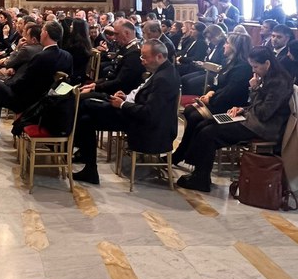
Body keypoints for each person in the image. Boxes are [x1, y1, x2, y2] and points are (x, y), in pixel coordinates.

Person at [177, 47, 293, 192]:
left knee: (209, 133)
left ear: (267, 63)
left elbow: (264, 113)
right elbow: (257, 105)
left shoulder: (279, 82)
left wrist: (254, 89)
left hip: (264, 127)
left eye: (256, 66)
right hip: (252, 119)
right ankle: (198, 172)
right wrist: (242, 109)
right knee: (203, 124)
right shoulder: (268, 76)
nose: (253, 71)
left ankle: (201, 179)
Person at [72, 40, 180, 185]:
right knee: (86, 116)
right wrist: (126, 97)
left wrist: (122, 104)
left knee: (87, 106)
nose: (142, 60)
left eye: (145, 57)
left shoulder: (163, 78)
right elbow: (144, 97)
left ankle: (82, 157)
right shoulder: (163, 70)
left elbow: (149, 113)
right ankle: (88, 164)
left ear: (159, 56)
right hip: (138, 116)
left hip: (147, 127)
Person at [0, 21, 73, 152]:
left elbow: (25, 82)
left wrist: (7, 84)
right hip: (44, 99)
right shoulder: (67, 56)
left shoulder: (41, 56)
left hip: (28, 101)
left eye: (42, 31)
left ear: (46, 34)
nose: (41, 33)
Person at [173, 32, 253, 166]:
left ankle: (185, 154)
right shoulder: (230, 62)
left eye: (227, 43)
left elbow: (230, 91)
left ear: (235, 47)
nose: (224, 46)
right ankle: (185, 152)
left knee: (195, 116)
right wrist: (210, 92)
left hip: (230, 106)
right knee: (189, 111)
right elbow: (218, 83)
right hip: (220, 99)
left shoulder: (243, 67)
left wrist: (211, 99)